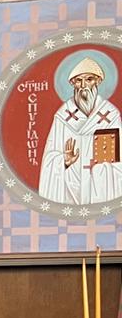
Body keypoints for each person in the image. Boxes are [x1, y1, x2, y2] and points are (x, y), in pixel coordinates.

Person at [38, 56, 122, 208]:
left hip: (100, 187)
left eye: (89, 79)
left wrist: (101, 167)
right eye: (78, 80)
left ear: (98, 81)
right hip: (70, 185)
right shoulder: (63, 115)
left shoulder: (110, 115)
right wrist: (64, 160)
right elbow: (50, 157)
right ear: (72, 84)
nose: (83, 85)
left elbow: (118, 161)